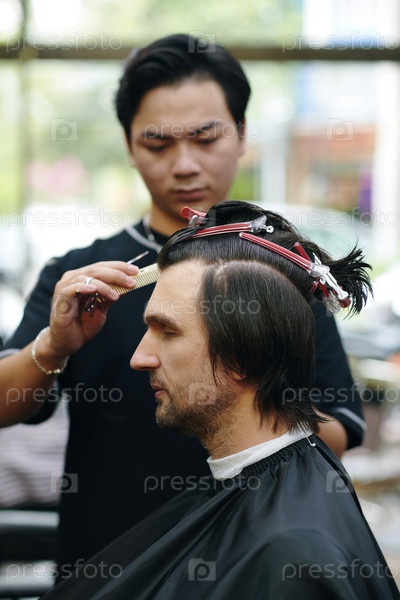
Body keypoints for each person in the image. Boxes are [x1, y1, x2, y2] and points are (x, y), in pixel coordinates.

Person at [0, 33, 364, 573]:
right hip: (107, 565)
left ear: (241, 134)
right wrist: (54, 346)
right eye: (157, 144)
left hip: (247, 559)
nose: (185, 164)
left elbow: (337, 430)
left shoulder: (280, 271)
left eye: (205, 138)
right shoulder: (81, 278)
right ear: (129, 147)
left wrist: (240, 397)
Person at [40, 201, 399, 599]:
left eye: (167, 331)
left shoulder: (292, 557)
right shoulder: (268, 505)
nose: (139, 358)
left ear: (245, 354)